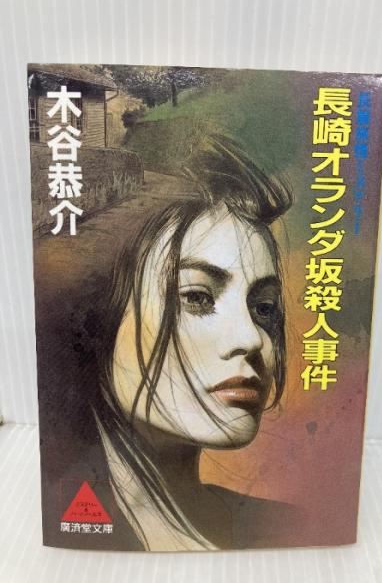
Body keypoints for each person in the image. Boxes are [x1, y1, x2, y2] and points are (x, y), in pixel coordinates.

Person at [88, 134, 295, 551]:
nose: (251, 338)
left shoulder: (293, 530)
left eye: (264, 308)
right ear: (95, 318)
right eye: (197, 297)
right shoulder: (69, 529)